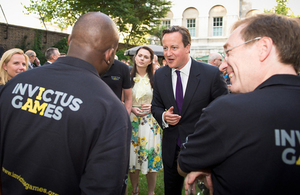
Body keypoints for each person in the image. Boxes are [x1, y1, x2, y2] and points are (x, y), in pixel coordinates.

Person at [0, 12, 131, 195]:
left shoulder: (14, 84)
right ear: (110, 54)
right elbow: (104, 187)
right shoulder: (111, 110)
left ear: (70, 40)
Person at [178, 13, 300, 195]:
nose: (224, 64)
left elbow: (184, 163)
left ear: (263, 47)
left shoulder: (228, 110)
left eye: (228, 52)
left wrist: (209, 168)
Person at [151, 25, 228, 195]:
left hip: (203, 149)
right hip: (171, 149)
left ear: (187, 47)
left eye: (174, 47)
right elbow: (155, 106)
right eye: (165, 48)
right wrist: (163, 116)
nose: (168, 53)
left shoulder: (211, 74)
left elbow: (225, 109)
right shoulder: (160, 75)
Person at [129, 46, 163, 195]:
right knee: (133, 157)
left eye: (146, 57)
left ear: (151, 61)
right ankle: (135, 190)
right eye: (140, 55)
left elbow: (163, 100)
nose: (142, 58)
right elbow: (120, 99)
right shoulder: (127, 76)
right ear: (135, 57)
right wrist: (130, 108)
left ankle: (151, 192)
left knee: (151, 156)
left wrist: (153, 107)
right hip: (132, 121)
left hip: (150, 122)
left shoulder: (157, 78)